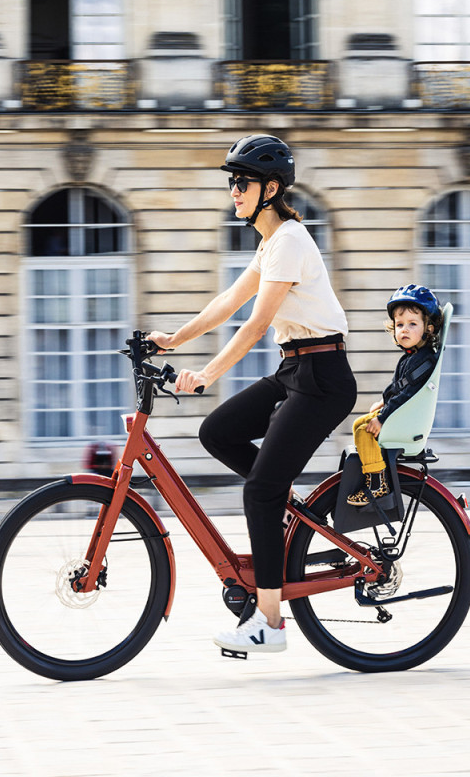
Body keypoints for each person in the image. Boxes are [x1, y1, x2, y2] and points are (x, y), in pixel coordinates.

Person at [147, 134, 357, 655]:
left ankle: (269, 623)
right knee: (217, 432)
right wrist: (174, 339)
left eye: (241, 182)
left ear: (271, 188)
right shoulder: (270, 243)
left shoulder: (289, 239)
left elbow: (258, 323)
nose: (233, 191)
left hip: (323, 378)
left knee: (258, 491)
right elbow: (228, 302)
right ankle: (286, 505)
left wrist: (208, 374)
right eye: (232, 182)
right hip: (296, 370)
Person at [347, 285, 441, 506]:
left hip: (403, 419)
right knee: (359, 424)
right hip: (400, 414)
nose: (404, 330)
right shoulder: (412, 357)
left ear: (428, 329)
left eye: (412, 324)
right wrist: (382, 403)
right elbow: (397, 389)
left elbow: (407, 395)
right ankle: (374, 470)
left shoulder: (422, 359)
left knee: (363, 431)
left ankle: (377, 483)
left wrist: (383, 417)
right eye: (400, 325)